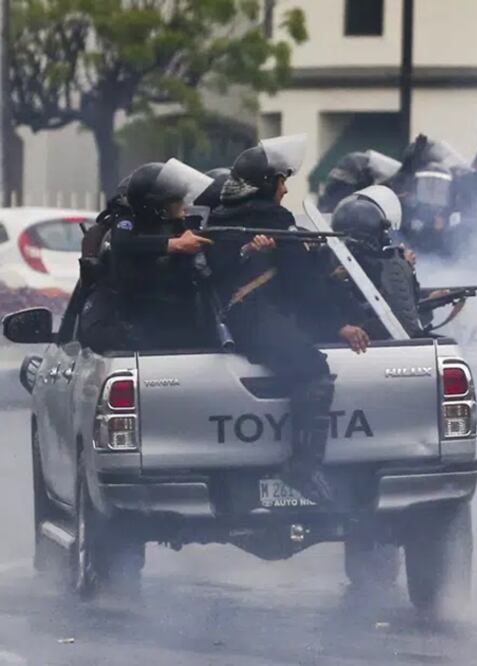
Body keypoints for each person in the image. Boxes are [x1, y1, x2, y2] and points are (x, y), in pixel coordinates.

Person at [208, 135, 370, 504]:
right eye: (280, 181)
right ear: (266, 185)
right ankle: (304, 469)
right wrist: (338, 325)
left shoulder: (220, 218)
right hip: (252, 317)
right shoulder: (273, 219)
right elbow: (302, 285)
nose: (284, 190)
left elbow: (217, 271)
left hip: (235, 318)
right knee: (313, 368)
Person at [80, 160, 215, 352]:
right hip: (140, 334)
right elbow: (124, 244)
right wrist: (173, 245)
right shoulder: (126, 228)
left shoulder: (178, 226)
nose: (185, 206)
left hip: (184, 333)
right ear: (158, 206)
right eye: (177, 201)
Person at [328, 185, 427, 338]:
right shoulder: (334, 266)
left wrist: (408, 272)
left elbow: (407, 312)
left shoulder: (329, 259)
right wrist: (403, 268)